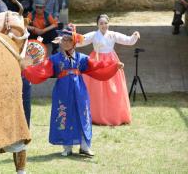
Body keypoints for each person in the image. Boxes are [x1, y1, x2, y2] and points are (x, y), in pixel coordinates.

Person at [21, 24, 122, 156]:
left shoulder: (82, 58)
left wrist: (114, 65)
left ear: (74, 41)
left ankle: (85, 146)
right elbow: (41, 70)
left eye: (69, 40)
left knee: (83, 114)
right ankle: (67, 147)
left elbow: (98, 65)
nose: (66, 42)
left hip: (80, 90)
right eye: (63, 40)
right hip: (62, 91)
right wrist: (25, 68)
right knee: (64, 114)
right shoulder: (54, 59)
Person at [77, 14, 140, 126]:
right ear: (97, 24)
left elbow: (127, 40)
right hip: (96, 62)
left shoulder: (113, 35)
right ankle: (95, 115)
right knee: (96, 88)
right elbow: (80, 40)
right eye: (101, 23)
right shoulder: (93, 35)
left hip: (111, 62)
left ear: (108, 24)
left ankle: (115, 115)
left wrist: (134, 36)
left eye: (106, 23)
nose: (104, 25)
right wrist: (66, 39)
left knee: (114, 88)